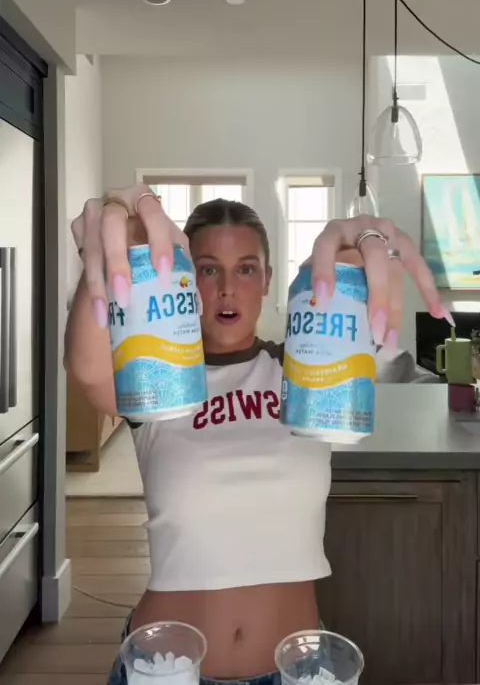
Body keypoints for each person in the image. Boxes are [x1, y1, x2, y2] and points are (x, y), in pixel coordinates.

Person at [65, 184, 451, 685]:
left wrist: (360, 243)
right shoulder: (158, 380)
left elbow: (354, 300)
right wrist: (104, 256)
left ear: (268, 280)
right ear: (183, 277)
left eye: (246, 269)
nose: (227, 288)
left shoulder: (305, 374)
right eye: (208, 269)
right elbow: (88, 368)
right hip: (166, 671)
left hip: (298, 671)